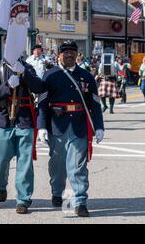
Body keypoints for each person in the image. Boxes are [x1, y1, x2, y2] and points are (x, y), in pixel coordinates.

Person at [37, 41, 104, 218]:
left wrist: (99, 127)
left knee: (77, 166)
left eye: (72, 52)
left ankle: (80, 201)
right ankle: (57, 191)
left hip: (79, 125)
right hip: (56, 126)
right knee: (57, 165)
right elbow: (42, 104)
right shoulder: (49, 75)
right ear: (59, 55)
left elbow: (95, 104)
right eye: (65, 52)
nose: (69, 55)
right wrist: (41, 127)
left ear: (77, 55)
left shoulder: (86, 76)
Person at [0, 56, 44, 214]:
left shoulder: (27, 67)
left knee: (25, 161)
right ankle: (0, 184)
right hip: (4, 119)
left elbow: (39, 87)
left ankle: (23, 200)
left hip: (24, 120)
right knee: (1, 159)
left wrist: (25, 74)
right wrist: (8, 86)